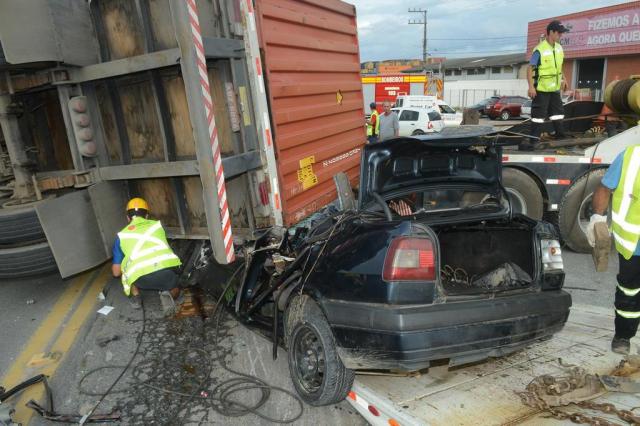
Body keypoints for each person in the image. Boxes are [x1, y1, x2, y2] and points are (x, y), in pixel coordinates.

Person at [588, 146, 640, 354]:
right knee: (629, 290)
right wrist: (597, 217)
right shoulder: (631, 156)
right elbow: (605, 188)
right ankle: (623, 336)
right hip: (634, 243)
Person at [112, 198, 183, 315]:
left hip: (140, 280)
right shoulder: (157, 227)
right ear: (147, 216)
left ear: (128, 218)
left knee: (125, 266)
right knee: (175, 284)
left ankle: (136, 297)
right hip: (165, 275)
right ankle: (169, 293)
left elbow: (116, 273)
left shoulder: (122, 236)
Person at [521, 20, 569, 151]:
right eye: (559, 32)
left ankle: (560, 136)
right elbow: (530, 69)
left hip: (554, 89)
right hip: (541, 89)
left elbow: (558, 67)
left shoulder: (559, 48)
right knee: (538, 116)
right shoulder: (539, 50)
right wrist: (531, 87)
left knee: (558, 114)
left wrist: (564, 79)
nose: (561, 35)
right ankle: (534, 140)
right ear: (551, 32)